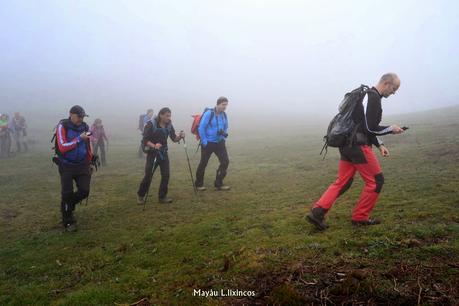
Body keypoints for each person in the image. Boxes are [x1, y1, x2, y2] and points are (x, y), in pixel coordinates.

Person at [307, 73, 405, 230]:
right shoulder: (371, 97)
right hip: (358, 147)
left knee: (343, 181)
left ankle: (317, 212)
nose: (394, 93)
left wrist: (379, 145)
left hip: (348, 146)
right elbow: (369, 128)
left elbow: (364, 126)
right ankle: (360, 217)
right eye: (394, 89)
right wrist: (390, 129)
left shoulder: (367, 97)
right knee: (376, 181)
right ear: (386, 83)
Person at [55, 105, 93, 232]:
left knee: (84, 190)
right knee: (67, 193)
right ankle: (68, 221)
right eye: (79, 117)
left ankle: (67, 206)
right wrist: (78, 139)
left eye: (83, 117)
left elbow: (88, 143)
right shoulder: (62, 126)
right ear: (71, 114)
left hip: (82, 164)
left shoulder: (85, 127)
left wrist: (90, 159)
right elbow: (62, 147)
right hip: (66, 164)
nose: (81, 119)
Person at [137, 107, 184, 204]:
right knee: (148, 176)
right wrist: (154, 146)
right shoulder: (151, 124)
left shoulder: (169, 125)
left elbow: (174, 138)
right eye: (167, 116)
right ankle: (141, 195)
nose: (169, 118)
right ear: (160, 115)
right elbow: (145, 140)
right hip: (152, 154)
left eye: (170, 115)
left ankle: (162, 197)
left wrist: (180, 136)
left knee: (166, 175)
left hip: (163, 153)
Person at [195, 96, 230, 191]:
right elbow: (201, 128)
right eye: (223, 105)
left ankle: (219, 183)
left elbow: (226, 126)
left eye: (226, 105)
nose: (225, 107)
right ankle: (199, 184)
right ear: (218, 104)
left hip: (219, 143)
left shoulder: (224, 115)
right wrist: (205, 142)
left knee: (225, 162)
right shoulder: (209, 113)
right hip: (208, 143)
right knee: (203, 163)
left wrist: (222, 138)